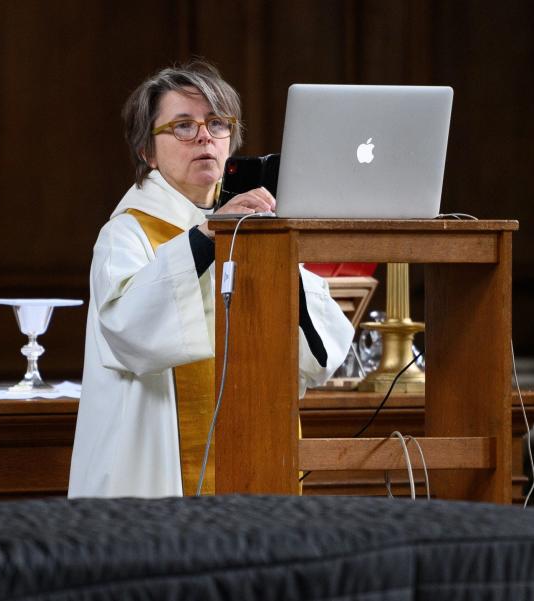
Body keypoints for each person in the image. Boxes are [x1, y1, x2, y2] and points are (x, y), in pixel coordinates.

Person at [68, 59, 353, 498]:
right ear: (147, 149)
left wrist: (280, 245)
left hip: (257, 462)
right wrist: (205, 238)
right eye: (183, 126)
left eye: (216, 124)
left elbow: (318, 356)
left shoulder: (257, 227)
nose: (204, 136)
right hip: (160, 478)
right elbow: (129, 331)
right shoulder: (126, 232)